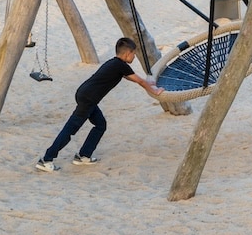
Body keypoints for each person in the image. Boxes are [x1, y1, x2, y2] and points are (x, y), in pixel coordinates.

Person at [35, 37, 163, 172]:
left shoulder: (115, 64)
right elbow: (140, 81)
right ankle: (46, 159)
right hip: (88, 99)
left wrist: (150, 84)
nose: (134, 57)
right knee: (70, 130)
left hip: (85, 95)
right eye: (134, 54)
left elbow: (135, 79)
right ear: (127, 53)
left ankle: (84, 155)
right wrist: (155, 90)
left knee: (100, 124)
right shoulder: (121, 66)